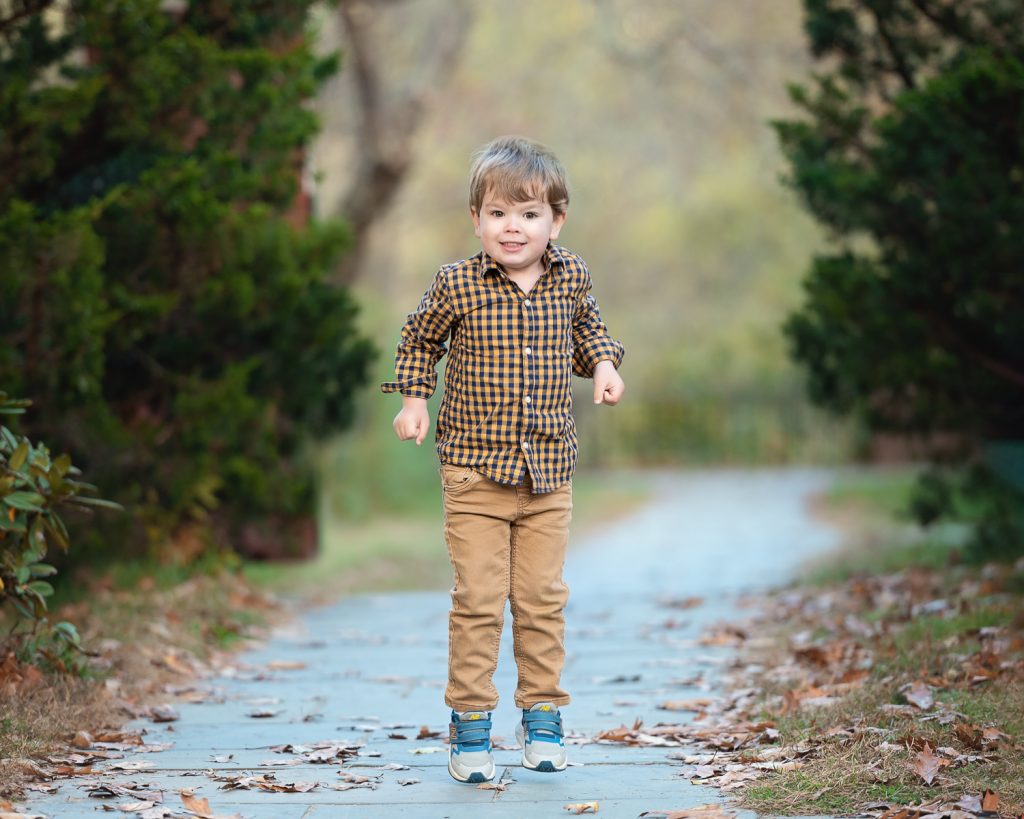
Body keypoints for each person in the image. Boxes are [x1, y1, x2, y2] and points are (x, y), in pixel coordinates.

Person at [382, 135, 625, 783]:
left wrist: (602, 365)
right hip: (473, 472)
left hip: (548, 474)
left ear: (556, 220)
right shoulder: (457, 283)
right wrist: (413, 400)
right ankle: (470, 723)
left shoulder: (571, 276)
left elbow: (590, 329)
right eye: (497, 213)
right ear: (476, 219)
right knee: (480, 599)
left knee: (543, 597)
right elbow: (419, 340)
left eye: (528, 213)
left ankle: (542, 713)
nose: (512, 227)